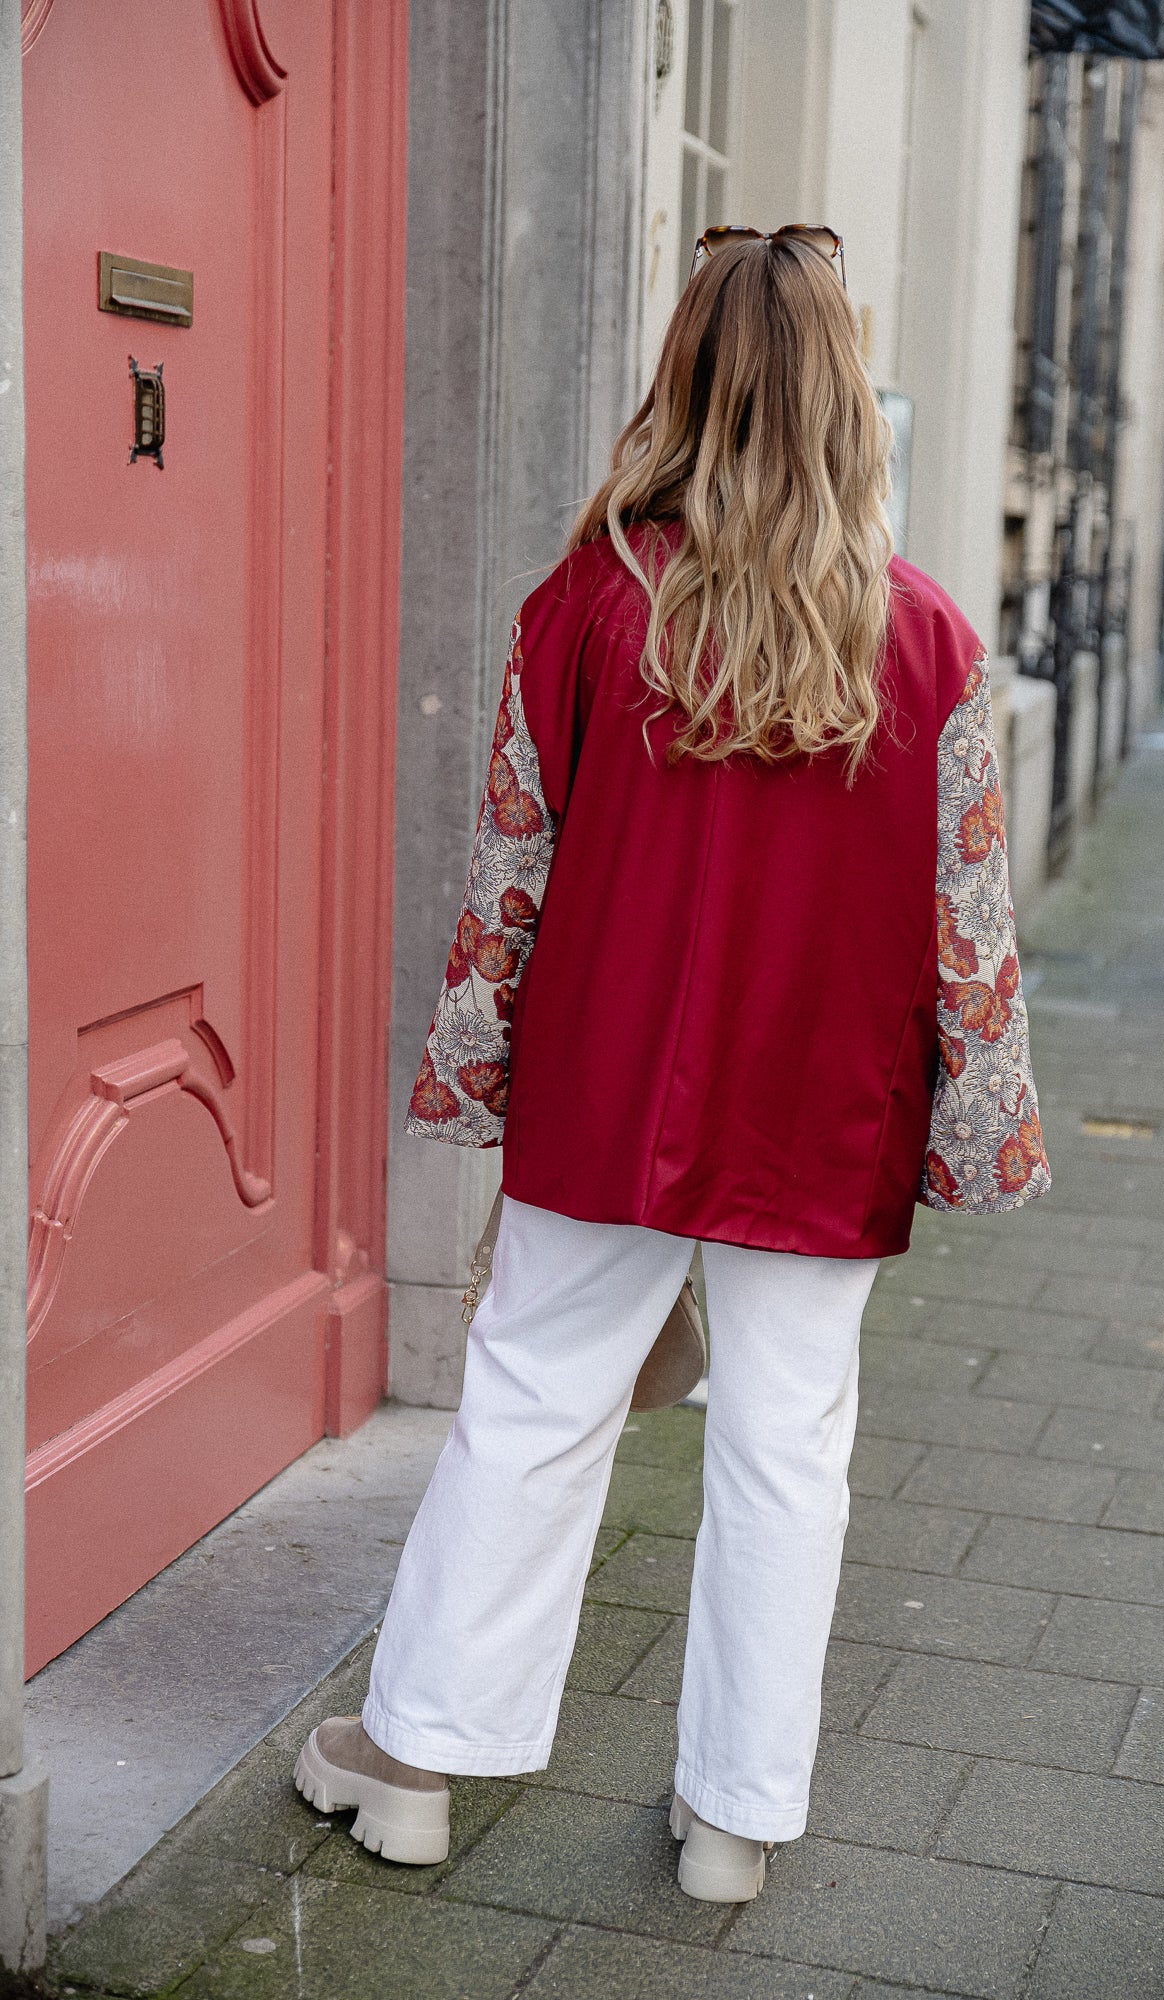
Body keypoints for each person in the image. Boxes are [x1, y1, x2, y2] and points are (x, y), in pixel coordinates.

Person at [292, 225, 1051, 1903]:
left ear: (683, 383)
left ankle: (415, 1763)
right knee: (789, 1444)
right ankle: (732, 1821)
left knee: (533, 1401)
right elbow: (967, 922)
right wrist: (977, 1121)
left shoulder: (584, 607)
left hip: (610, 1082)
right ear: (846, 397)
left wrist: (468, 1079)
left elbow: (509, 872)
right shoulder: (921, 644)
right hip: (825, 1103)